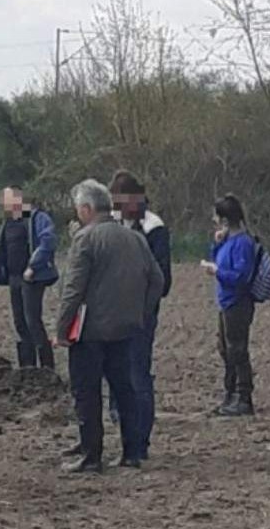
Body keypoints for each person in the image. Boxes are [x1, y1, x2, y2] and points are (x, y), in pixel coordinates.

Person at [55, 179, 164, 473]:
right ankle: (132, 452)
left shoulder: (86, 239)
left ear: (87, 209)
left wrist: (61, 328)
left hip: (90, 331)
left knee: (87, 393)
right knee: (125, 390)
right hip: (126, 328)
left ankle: (91, 455)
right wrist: (140, 312)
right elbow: (157, 280)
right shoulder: (135, 238)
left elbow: (73, 289)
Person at [104, 170, 172, 459]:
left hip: (141, 314)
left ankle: (140, 437)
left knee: (138, 373)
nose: (117, 208)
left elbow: (162, 279)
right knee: (116, 371)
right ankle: (122, 424)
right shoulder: (115, 222)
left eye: (120, 202)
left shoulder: (154, 227)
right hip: (115, 311)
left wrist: (141, 306)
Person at [0, 187, 59, 369]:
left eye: (8, 199)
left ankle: (47, 367)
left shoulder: (37, 218)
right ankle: (27, 367)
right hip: (14, 279)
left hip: (33, 278)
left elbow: (48, 242)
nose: (5, 204)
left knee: (32, 321)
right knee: (19, 323)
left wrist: (33, 266)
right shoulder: (8, 224)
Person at [201, 194, 257, 417]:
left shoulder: (243, 243)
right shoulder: (229, 241)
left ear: (224, 219)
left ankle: (243, 397)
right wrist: (217, 244)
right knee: (226, 349)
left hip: (238, 303)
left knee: (237, 350)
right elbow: (220, 260)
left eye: (216, 216)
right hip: (226, 302)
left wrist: (217, 272)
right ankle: (230, 394)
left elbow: (241, 276)